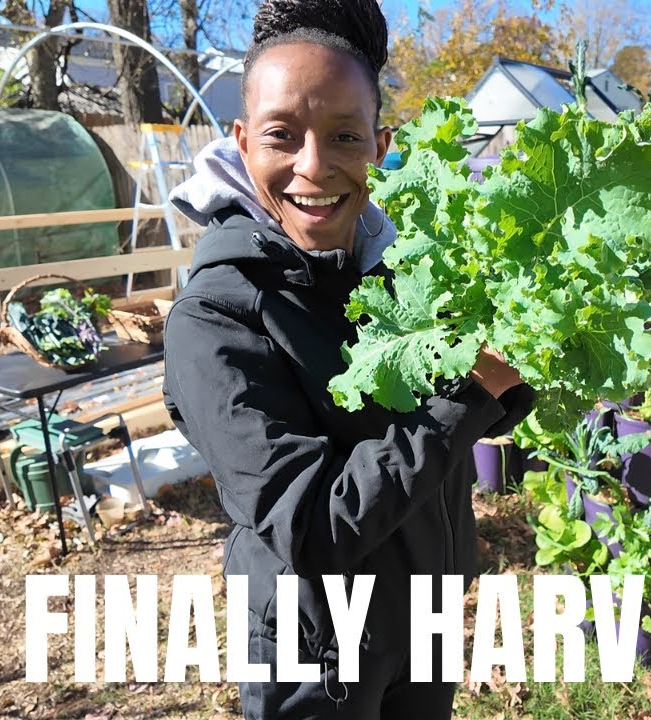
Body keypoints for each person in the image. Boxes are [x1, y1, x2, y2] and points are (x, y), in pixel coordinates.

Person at [161, 1, 533, 717]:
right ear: (241, 143)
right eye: (281, 135)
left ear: (379, 143)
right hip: (319, 652)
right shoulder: (216, 317)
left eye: (343, 136)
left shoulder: (390, 263)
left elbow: (456, 424)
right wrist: (469, 395)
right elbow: (313, 528)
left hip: (419, 619)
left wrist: (516, 354)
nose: (312, 166)